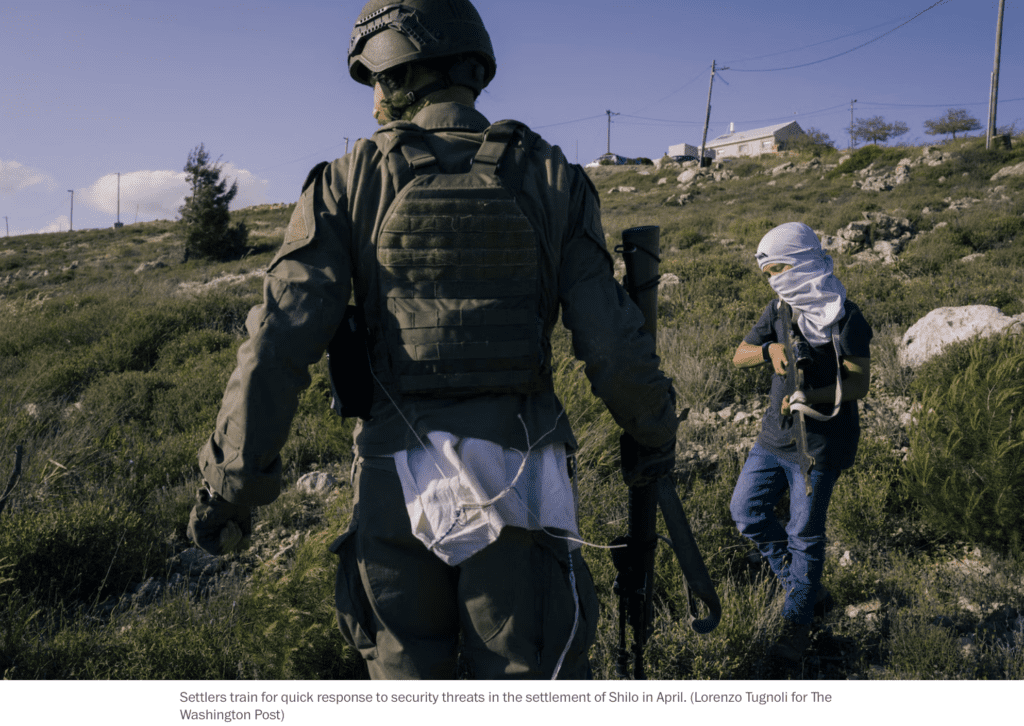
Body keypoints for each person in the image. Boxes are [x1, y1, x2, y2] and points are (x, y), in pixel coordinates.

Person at [187, 0, 678, 680]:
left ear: (396, 76)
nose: (373, 106)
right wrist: (653, 433)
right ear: (473, 68)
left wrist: (230, 486)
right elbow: (611, 342)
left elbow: (280, 337)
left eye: (377, 84)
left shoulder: (347, 179)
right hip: (521, 480)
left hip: (394, 481)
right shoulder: (552, 173)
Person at [730, 222, 872, 662]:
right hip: (773, 439)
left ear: (803, 263)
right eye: (768, 272)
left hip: (821, 446)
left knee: (804, 535)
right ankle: (803, 590)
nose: (775, 280)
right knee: (746, 512)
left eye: (780, 268)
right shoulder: (778, 309)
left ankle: (795, 625)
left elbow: (858, 385)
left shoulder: (847, 318)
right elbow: (739, 355)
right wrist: (769, 351)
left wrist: (809, 397)